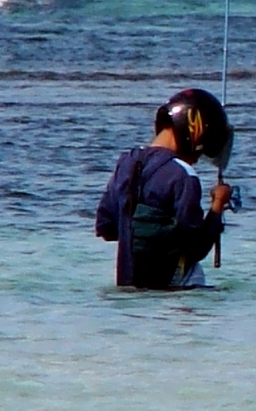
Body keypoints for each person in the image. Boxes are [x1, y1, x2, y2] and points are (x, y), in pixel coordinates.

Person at [95, 88, 234, 289]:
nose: (196, 159)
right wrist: (218, 205)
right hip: (174, 289)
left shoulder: (126, 162)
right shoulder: (183, 174)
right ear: (194, 131)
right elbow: (196, 248)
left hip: (129, 287)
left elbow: (106, 228)